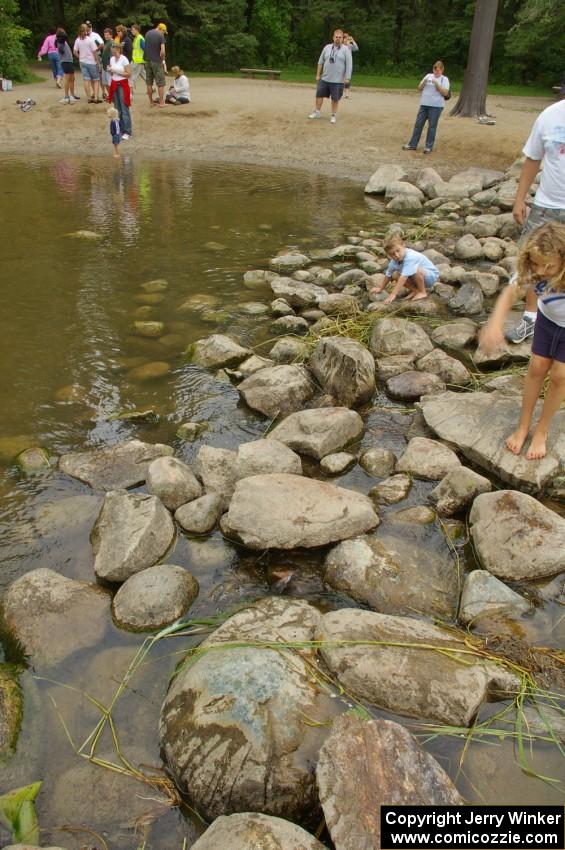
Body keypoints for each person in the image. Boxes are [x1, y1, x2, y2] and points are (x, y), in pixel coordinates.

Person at [478, 222, 565, 461]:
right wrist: (494, 324)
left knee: (560, 376)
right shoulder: (531, 269)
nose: (541, 270)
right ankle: (523, 425)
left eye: (548, 266)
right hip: (548, 321)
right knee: (537, 368)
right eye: (536, 263)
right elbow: (510, 293)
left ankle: (542, 430)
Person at [505, 96, 565, 343]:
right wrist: (520, 198)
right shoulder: (549, 116)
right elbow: (532, 159)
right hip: (546, 206)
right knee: (531, 263)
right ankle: (531, 318)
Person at [370, 233, 439, 303]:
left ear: (403, 245)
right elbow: (388, 275)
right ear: (388, 255)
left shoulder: (411, 256)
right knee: (395, 274)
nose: (396, 255)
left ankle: (422, 292)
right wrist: (380, 288)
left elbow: (404, 277)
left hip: (430, 276)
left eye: (398, 250)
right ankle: (416, 291)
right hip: (417, 277)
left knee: (416, 270)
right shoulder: (393, 262)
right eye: (392, 254)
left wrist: (393, 294)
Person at [402, 60, 449, 154]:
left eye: (439, 70)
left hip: (436, 106)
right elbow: (419, 88)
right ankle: (412, 144)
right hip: (424, 105)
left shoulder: (445, 79)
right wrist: (424, 82)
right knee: (418, 124)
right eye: (435, 70)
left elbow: (445, 92)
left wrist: (436, 83)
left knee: (432, 126)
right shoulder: (428, 76)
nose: (436, 72)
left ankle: (428, 147)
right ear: (433, 69)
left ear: (442, 70)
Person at [308, 29, 352, 125]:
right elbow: (320, 62)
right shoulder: (327, 47)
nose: (338, 39)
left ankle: (333, 115)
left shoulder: (346, 49)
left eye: (340, 37)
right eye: (336, 37)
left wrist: (347, 77)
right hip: (325, 78)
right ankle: (317, 112)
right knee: (319, 95)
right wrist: (318, 75)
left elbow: (349, 64)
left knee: (335, 99)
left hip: (338, 81)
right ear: (333, 37)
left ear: (342, 38)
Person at [108, 41, 132, 140]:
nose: (112, 50)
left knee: (124, 108)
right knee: (117, 109)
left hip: (122, 85)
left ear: (118, 49)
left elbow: (128, 73)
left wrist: (116, 71)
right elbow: (112, 74)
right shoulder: (112, 59)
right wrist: (110, 71)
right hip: (114, 84)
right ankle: (120, 129)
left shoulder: (124, 59)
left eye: (113, 48)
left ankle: (127, 131)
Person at [73, 23, 102, 103]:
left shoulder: (77, 40)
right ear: (86, 31)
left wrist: (80, 57)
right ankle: (96, 98)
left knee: (86, 80)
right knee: (96, 80)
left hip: (82, 62)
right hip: (91, 62)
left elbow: (75, 51)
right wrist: (97, 62)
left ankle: (89, 98)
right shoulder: (90, 40)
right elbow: (94, 52)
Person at [144, 22, 167, 107]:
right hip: (156, 61)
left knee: (149, 82)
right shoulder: (160, 35)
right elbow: (163, 51)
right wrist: (163, 59)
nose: (164, 34)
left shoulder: (147, 33)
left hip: (147, 60)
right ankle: (161, 103)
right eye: (164, 32)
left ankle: (151, 102)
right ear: (162, 29)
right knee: (160, 82)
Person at [56, 30, 79, 103]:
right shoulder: (60, 41)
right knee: (67, 79)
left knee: (72, 79)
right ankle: (66, 96)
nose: (65, 34)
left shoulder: (62, 41)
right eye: (63, 33)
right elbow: (63, 39)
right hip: (65, 62)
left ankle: (72, 95)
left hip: (69, 61)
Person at [129, 23, 146, 90]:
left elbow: (145, 49)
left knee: (132, 76)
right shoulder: (136, 38)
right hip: (138, 60)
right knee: (144, 75)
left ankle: (130, 92)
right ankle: (152, 87)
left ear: (137, 30)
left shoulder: (140, 38)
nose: (131, 31)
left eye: (133, 30)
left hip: (138, 61)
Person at [342, 33, 358, 98]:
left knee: (347, 79)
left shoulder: (350, 46)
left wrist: (352, 41)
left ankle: (347, 94)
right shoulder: (341, 46)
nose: (346, 39)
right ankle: (340, 92)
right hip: (341, 64)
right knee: (341, 79)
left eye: (347, 38)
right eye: (345, 38)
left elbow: (356, 48)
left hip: (348, 64)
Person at [100, 27, 115, 98]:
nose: (106, 36)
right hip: (104, 66)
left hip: (109, 66)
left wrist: (110, 67)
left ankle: (113, 96)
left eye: (108, 35)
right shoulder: (106, 43)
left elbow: (112, 56)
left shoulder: (112, 43)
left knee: (110, 83)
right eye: (105, 35)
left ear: (111, 35)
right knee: (105, 82)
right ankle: (110, 96)